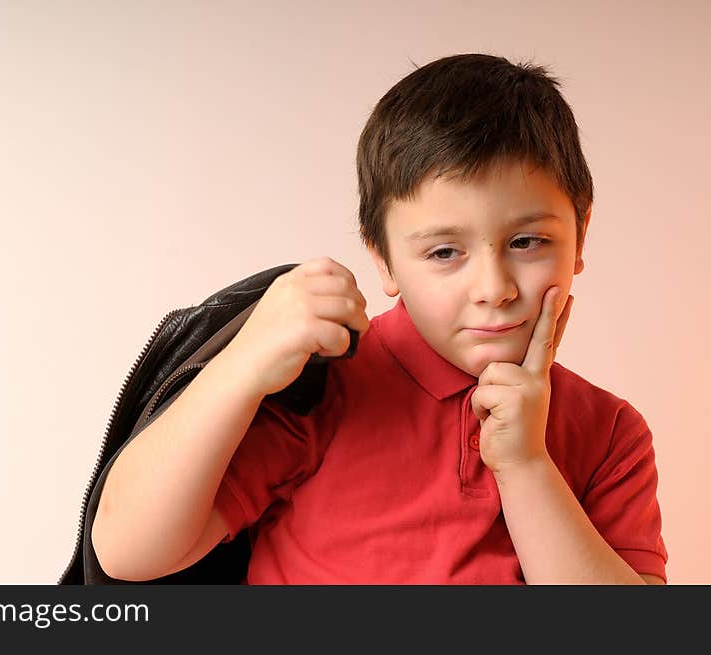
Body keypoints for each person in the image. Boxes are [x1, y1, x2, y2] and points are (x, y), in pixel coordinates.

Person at [91, 53, 667, 584]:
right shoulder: (322, 385)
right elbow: (128, 554)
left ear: (581, 233)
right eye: (445, 252)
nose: (494, 289)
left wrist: (525, 466)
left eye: (527, 241)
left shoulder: (610, 433)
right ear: (383, 259)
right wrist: (240, 364)